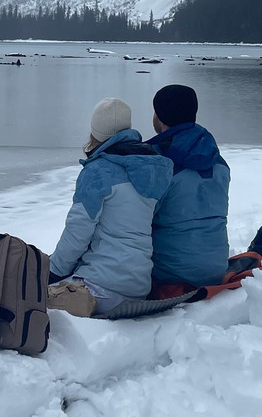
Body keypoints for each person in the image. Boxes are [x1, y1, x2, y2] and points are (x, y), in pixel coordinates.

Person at [47, 97, 173, 317]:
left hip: (100, 285)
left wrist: (54, 271)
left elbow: (77, 232)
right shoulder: (153, 167)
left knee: (28, 298)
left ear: (95, 132)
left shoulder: (98, 171)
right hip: (139, 284)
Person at [147, 84, 231, 292]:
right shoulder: (219, 162)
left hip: (169, 274)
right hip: (216, 269)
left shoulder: (158, 164)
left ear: (160, 116)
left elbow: (135, 222)